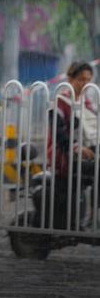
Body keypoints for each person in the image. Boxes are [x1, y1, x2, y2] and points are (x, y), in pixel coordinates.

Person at [46, 61, 95, 229]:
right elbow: (58, 134)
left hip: (84, 154)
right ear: (70, 79)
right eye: (81, 79)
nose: (85, 84)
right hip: (63, 156)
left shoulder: (87, 103)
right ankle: (94, 218)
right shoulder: (60, 102)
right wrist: (75, 147)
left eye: (88, 80)